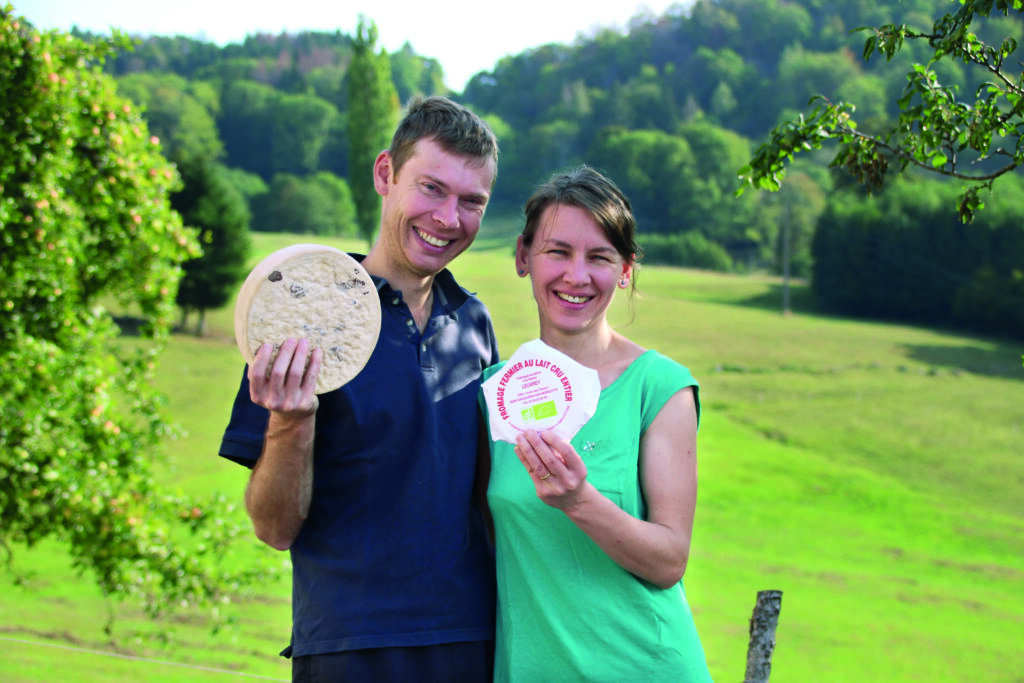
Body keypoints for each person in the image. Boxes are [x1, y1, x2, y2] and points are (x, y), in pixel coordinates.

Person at [219, 96, 500, 682]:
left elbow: (486, 500)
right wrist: (292, 424)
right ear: (384, 175)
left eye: (471, 201)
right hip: (351, 646)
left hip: (473, 640)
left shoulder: (475, 323)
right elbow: (273, 528)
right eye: (431, 188)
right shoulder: (297, 313)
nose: (449, 218)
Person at [480, 166, 713, 682]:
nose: (576, 275)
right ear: (523, 256)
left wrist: (578, 501)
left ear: (626, 270)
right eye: (557, 251)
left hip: (644, 667)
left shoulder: (659, 387)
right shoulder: (494, 393)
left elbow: (669, 560)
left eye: (600, 257)